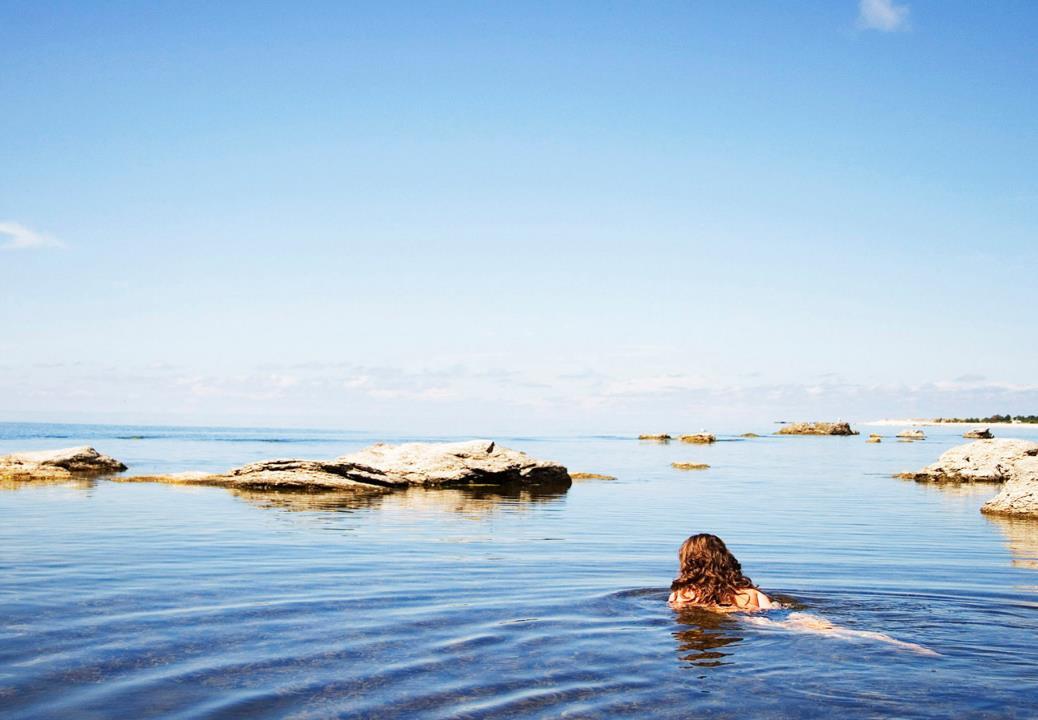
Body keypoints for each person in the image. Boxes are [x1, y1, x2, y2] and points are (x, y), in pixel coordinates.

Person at [668, 533, 774, 611]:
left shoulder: (679, 596)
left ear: (687, 562)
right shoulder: (753, 595)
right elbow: (773, 615)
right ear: (725, 559)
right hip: (744, 619)